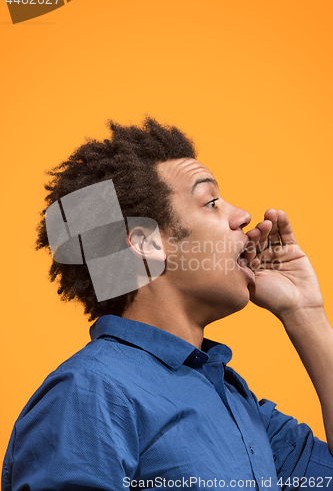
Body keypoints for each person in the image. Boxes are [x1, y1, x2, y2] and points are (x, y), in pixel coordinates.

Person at [2, 117, 333, 490]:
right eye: (211, 202)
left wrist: (305, 314)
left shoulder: (238, 403)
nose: (242, 216)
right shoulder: (89, 394)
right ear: (145, 243)